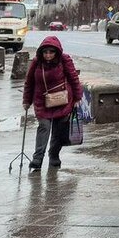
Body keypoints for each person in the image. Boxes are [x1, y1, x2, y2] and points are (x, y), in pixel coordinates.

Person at [22, 35, 83, 170]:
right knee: (44, 127)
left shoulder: (64, 60)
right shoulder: (37, 62)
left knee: (58, 131)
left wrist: (78, 97)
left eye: (51, 52)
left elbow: (74, 78)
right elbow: (29, 82)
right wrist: (27, 100)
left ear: (57, 52)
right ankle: (37, 159)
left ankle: (54, 155)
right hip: (42, 101)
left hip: (62, 101)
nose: (48, 55)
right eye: (45, 52)